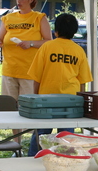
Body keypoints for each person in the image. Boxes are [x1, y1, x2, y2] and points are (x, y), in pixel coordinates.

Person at [26, 13, 93, 156]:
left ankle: (32, 159)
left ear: (55, 31)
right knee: (67, 138)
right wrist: (81, 102)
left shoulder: (46, 47)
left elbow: (36, 77)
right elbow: (82, 81)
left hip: (45, 100)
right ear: (74, 31)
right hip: (70, 102)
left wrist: (35, 97)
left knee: (41, 134)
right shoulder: (79, 51)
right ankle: (66, 159)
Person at [0, 0, 52, 144]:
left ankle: (36, 144)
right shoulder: (8, 18)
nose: (19, 1)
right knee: (11, 109)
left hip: (30, 72)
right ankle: (15, 144)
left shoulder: (39, 18)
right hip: (9, 70)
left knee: (31, 109)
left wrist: (31, 43)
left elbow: (48, 42)